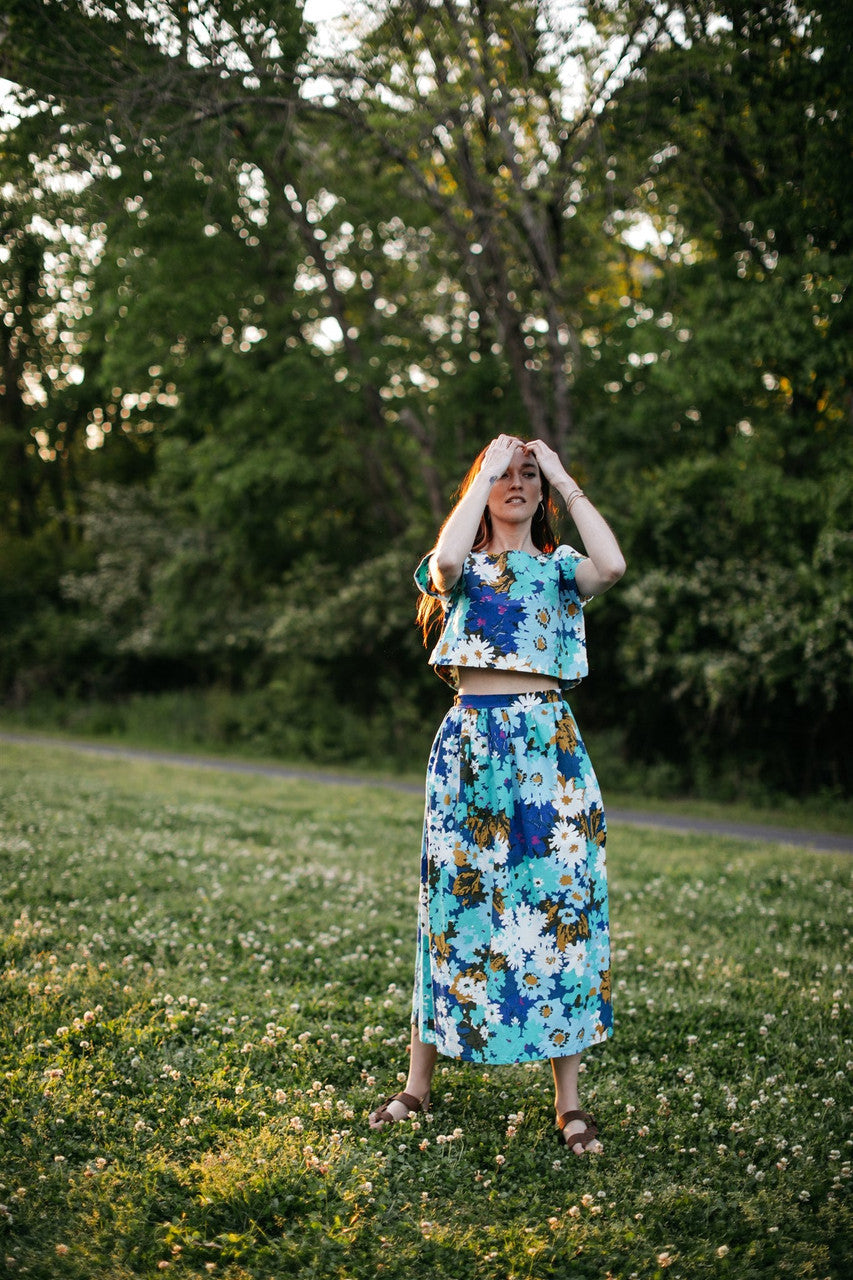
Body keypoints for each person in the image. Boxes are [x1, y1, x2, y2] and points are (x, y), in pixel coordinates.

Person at [368, 434, 626, 1154]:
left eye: (527, 475)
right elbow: (445, 566)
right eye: (502, 475)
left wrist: (564, 477)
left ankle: (568, 1103)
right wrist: (482, 475)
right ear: (481, 486)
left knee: (560, 907)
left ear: (541, 492)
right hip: (471, 744)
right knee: (450, 906)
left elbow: (612, 565)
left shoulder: (559, 567)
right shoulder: (461, 564)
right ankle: (416, 1086)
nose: (516, 483)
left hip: (549, 749)